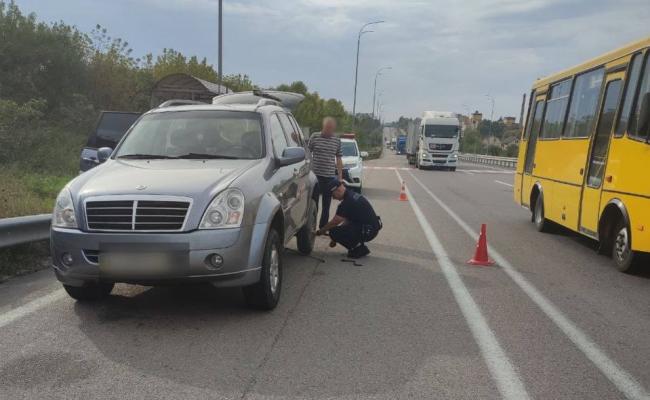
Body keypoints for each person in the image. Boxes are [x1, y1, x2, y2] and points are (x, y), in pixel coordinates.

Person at [316, 178, 382, 259]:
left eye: (333, 195)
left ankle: (358, 249)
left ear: (338, 190)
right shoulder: (351, 195)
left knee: (333, 231)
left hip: (368, 230)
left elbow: (335, 222)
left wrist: (321, 231)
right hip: (370, 228)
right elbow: (347, 221)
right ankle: (358, 246)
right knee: (337, 231)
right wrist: (335, 239)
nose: (333, 198)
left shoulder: (347, 202)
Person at [309, 117, 343, 229]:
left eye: (331, 129)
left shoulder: (336, 140)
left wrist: (340, 178)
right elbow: (307, 152)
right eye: (327, 128)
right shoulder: (314, 136)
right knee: (313, 202)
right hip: (315, 176)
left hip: (329, 177)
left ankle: (323, 226)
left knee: (326, 205)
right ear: (323, 127)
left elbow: (338, 159)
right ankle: (311, 225)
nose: (329, 131)